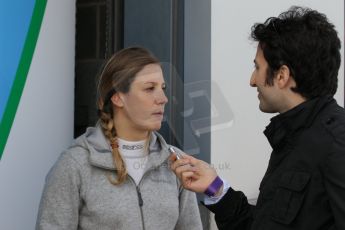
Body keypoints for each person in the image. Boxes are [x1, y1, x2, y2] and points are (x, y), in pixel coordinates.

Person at [171, 6, 345, 230]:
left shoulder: (337, 144)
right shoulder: (294, 138)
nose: (253, 80)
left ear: (281, 76)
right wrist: (215, 187)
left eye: (257, 67)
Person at [36, 47, 202, 230]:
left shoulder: (175, 161)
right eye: (149, 88)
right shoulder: (75, 164)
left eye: (162, 88)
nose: (163, 99)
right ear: (117, 98)